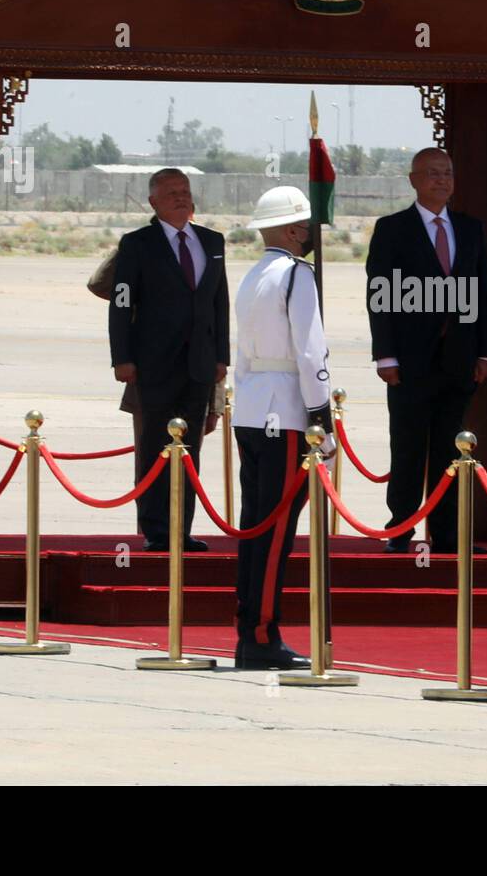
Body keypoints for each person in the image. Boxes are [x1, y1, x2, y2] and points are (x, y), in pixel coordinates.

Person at [365, 147, 487, 554]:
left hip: (459, 360)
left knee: (451, 450)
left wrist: (486, 351)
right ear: (414, 180)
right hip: (408, 362)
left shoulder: (470, 229)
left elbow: (482, 293)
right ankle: (400, 530)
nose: (442, 180)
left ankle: (447, 534)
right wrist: (385, 355)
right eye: (433, 173)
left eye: (448, 173)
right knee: (407, 446)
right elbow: (379, 294)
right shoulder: (393, 229)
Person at [232, 186, 335, 670]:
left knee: (256, 526)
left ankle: (252, 628)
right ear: (293, 229)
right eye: (308, 225)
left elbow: (243, 354)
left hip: (253, 406)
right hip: (287, 409)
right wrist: (321, 417)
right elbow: (310, 351)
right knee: (274, 530)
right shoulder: (297, 275)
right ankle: (259, 635)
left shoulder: (254, 274)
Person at [108, 168, 229, 552]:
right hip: (153, 364)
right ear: (153, 202)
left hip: (199, 364)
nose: (181, 197)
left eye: (185, 191)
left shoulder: (212, 241)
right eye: (172, 192)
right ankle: (156, 529)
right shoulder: (137, 244)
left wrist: (221, 357)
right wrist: (122, 357)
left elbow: (219, 303)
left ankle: (181, 529)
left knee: (189, 448)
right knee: (154, 446)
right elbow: (120, 303)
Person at [88, 236, 224, 483]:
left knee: (187, 472)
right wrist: (137, 248)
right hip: (149, 378)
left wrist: (215, 401)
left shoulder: (203, 252)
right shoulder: (143, 256)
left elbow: (213, 327)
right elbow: (98, 283)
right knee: (150, 473)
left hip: (196, 379)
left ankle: (181, 523)